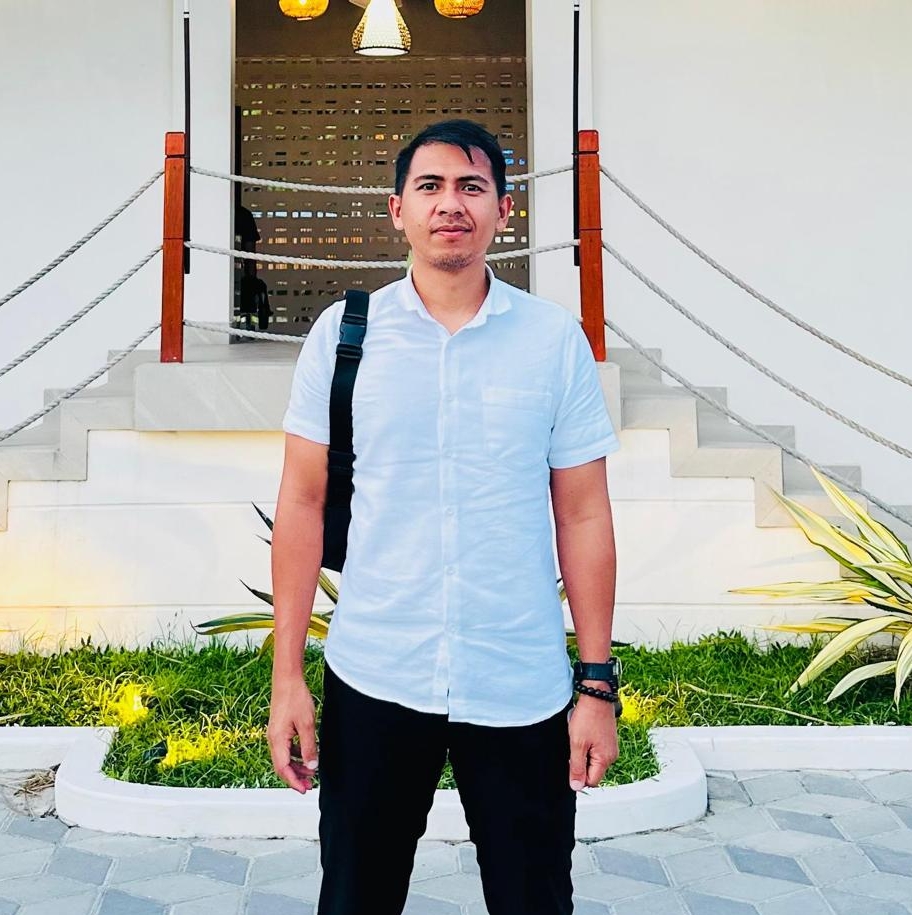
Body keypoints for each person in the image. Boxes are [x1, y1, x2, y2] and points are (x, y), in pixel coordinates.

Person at [269, 119, 621, 915]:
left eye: (471, 187)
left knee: (534, 899)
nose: (450, 204)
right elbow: (302, 502)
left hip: (518, 679)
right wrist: (288, 678)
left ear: (503, 210)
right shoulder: (344, 337)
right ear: (398, 209)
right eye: (429, 186)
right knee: (355, 897)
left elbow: (583, 513)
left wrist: (596, 685)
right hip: (378, 672)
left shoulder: (552, 341)